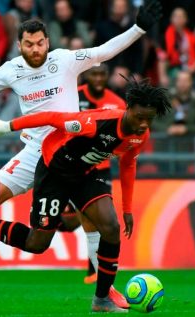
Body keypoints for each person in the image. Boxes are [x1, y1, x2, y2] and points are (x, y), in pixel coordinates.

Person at [0, 0, 162, 307]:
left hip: (77, 143)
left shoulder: (65, 60)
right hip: (38, 149)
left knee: (98, 222)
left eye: (40, 43)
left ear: (48, 41)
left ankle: (106, 291)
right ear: (19, 45)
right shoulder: (11, 70)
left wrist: (138, 28)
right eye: (29, 44)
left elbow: (104, 51)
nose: (36, 49)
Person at [0, 77, 171, 312]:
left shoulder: (139, 135)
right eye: (139, 117)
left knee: (111, 227)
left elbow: (127, 165)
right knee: (37, 243)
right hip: (53, 171)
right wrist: (6, 126)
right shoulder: (96, 122)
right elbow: (51, 118)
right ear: (128, 110)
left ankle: (102, 299)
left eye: (149, 119)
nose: (144, 124)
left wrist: (127, 210)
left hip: (84, 174)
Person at [71, 63, 127, 285]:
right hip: (72, 167)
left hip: (100, 170)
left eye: (102, 74)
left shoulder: (117, 102)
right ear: (87, 75)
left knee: (103, 221)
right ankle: (93, 269)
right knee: (70, 222)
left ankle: (93, 271)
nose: (98, 78)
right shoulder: (74, 97)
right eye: (94, 74)